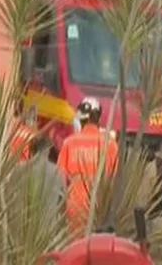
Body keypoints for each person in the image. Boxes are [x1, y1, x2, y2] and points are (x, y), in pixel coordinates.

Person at [56, 97, 118, 235]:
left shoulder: (69, 143)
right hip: (101, 208)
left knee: (76, 245)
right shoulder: (110, 144)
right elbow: (115, 180)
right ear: (98, 119)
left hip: (75, 208)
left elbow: (60, 179)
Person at [19, 133, 66, 219]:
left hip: (23, 223)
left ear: (31, 150)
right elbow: (62, 203)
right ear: (48, 150)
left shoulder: (20, 169)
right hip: (49, 223)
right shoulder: (57, 172)